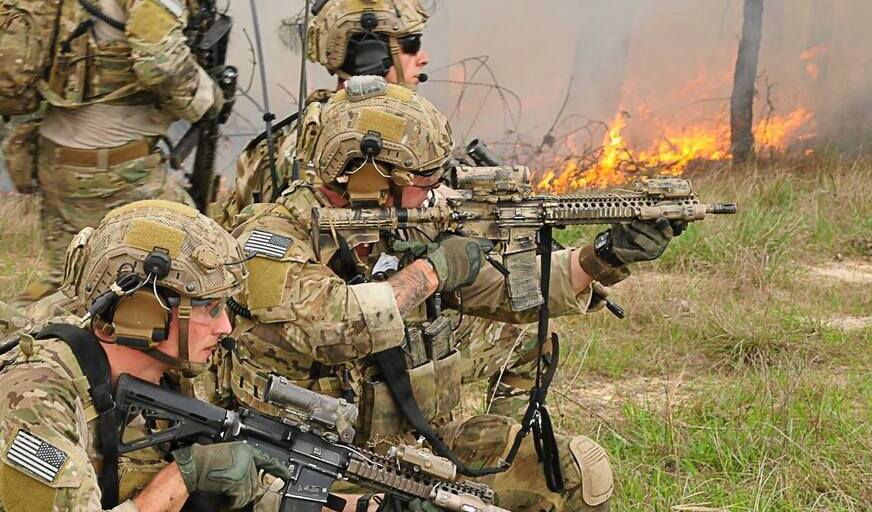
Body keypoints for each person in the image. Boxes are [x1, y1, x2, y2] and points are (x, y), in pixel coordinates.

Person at [223, 76, 685, 511]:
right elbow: (337, 326)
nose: (435, 192)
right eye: (424, 180)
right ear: (370, 175)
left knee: (575, 471)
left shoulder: (403, 225)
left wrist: (603, 255)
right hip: (307, 466)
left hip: (413, 448)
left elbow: (508, 292)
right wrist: (432, 272)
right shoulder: (270, 240)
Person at [0, 200, 288, 511]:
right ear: (143, 310)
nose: (225, 328)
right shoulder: (34, 398)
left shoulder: (172, 376)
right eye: (211, 308)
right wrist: (180, 478)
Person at [8, 0, 225, 304]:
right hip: (114, 170)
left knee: (69, 280)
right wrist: (210, 98)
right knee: (194, 262)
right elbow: (160, 63)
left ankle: (26, 327)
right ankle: (22, 326)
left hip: (55, 157)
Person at [218, 0, 429, 227]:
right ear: (370, 53)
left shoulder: (415, 131)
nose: (424, 58)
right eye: (411, 45)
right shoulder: (299, 146)